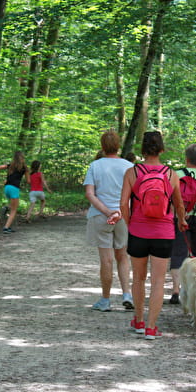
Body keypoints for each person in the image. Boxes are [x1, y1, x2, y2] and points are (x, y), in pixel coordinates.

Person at [120, 131, 187, 340]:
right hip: (164, 233)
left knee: (138, 279)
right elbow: (179, 204)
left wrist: (131, 224)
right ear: (162, 149)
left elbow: (123, 204)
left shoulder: (133, 172)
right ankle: (151, 328)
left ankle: (138, 321)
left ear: (143, 148)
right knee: (158, 281)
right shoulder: (171, 174)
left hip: (138, 232)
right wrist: (182, 220)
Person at [83, 130, 134, 312]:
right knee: (123, 256)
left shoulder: (95, 166)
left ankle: (105, 300)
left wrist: (107, 211)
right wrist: (119, 212)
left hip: (100, 216)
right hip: (124, 217)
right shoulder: (129, 166)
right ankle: (127, 294)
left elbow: (90, 193)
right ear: (118, 145)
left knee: (106, 260)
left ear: (102, 146)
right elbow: (134, 195)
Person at [169, 144, 196, 304]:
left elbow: (167, 199)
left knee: (178, 254)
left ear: (186, 159)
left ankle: (176, 290)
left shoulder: (176, 175)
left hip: (180, 218)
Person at [0, 151, 30, 234]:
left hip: (7, 188)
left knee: (13, 205)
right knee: (14, 210)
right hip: (14, 188)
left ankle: (6, 209)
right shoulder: (25, 168)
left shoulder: (10, 166)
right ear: (22, 158)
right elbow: (28, 181)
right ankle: (6, 228)